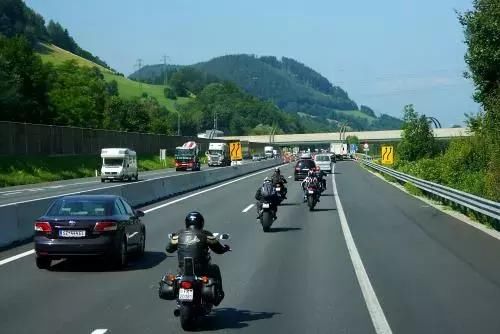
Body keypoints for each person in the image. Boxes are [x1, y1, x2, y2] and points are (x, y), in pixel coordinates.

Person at [166, 211, 230, 306]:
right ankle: (219, 294)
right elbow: (218, 249)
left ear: (187, 223)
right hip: (201, 268)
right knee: (215, 269)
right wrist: (225, 248)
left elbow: (168, 249)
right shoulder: (206, 234)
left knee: (177, 276)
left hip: (183, 269)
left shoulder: (179, 234)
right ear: (201, 223)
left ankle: (179, 300)